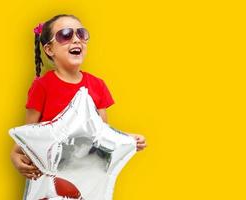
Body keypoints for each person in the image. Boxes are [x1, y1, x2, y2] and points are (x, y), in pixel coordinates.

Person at [10, 14, 147, 182]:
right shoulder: (42, 87)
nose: (76, 40)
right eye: (65, 35)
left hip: (86, 177)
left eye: (81, 34)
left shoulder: (98, 85)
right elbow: (30, 134)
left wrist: (128, 138)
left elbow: (101, 133)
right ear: (49, 49)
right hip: (51, 178)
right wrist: (15, 156)